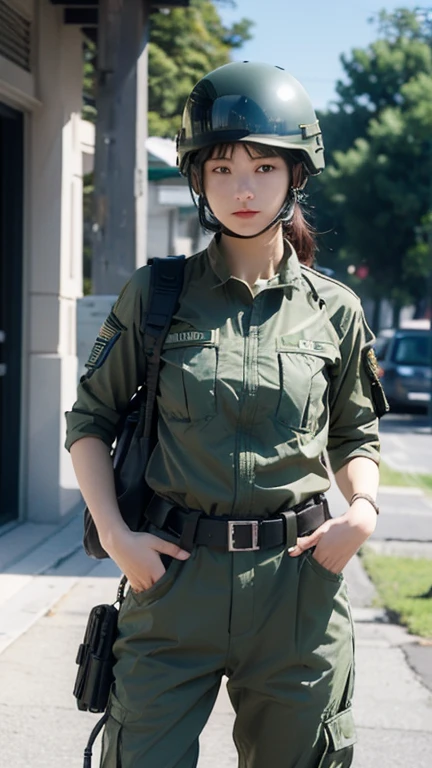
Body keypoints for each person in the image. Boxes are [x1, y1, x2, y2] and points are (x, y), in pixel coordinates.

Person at [65, 61, 387, 768]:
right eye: (222, 168)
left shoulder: (335, 310)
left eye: (264, 166)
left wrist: (361, 512)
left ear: (295, 176)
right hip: (172, 582)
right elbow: (88, 422)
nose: (243, 188)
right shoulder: (156, 297)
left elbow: (353, 433)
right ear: (199, 180)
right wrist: (117, 538)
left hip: (297, 591)